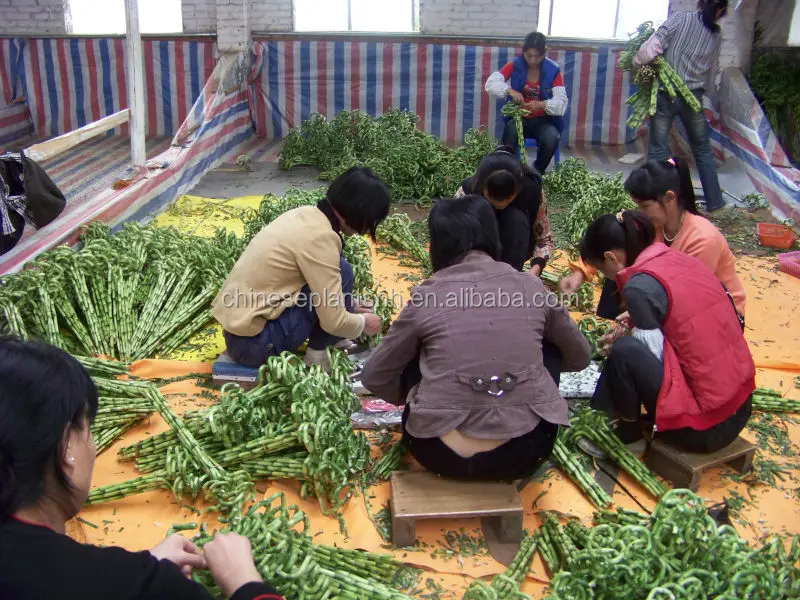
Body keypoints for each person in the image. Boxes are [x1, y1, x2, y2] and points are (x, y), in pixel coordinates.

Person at [0, 337, 283, 600]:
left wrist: (144, 564)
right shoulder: (144, 587)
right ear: (66, 447)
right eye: (88, 429)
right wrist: (243, 581)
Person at [360, 195, 591, 481]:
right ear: (492, 237)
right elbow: (580, 356)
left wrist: (416, 394)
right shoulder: (531, 286)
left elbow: (375, 375)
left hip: (438, 452)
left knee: (416, 354)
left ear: (437, 246)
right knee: (550, 347)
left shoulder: (427, 296)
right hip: (528, 449)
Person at [580, 211, 754, 453]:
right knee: (633, 346)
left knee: (624, 353)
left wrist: (627, 337)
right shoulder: (679, 260)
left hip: (706, 430)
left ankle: (630, 437)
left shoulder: (637, 287)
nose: (606, 277)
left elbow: (651, 356)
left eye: (602, 271)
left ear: (610, 258)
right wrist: (637, 319)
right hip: (740, 408)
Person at [212, 166, 391, 372]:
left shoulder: (305, 215)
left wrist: (348, 303)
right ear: (359, 214)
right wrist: (362, 323)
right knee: (343, 272)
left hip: (238, 335)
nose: (367, 230)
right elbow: (334, 321)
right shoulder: (320, 239)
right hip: (256, 346)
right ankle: (317, 355)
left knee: (336, 279)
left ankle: (327, 342)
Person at [559, 157, 745, 330]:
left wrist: (635, 317)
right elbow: (608, 241)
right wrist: (579, 273)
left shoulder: (702, 240)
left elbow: (682, 299)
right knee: (618, 270)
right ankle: (608, 327)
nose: (640, 212)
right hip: (668, 297)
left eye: (645, 206)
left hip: (718, 318)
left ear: (670, 198)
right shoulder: (654, 223)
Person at [633, 0, 729, 212]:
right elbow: (712, 71)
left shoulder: (679, 18)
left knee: (658, 148)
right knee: (702, 148)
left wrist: (637, 61)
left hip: (666, 94)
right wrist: (707, 94)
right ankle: (715, 202)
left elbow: (653, 48)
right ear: (720, 9)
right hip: (693, 96)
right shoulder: (716, 34)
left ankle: (658, 201)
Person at [455, 147, 554, 275]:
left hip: (514, 253)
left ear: (518, 188)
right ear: (482, 187)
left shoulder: (532, 191)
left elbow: (544, 240)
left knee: (515, 217)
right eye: (492, 198)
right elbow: (452, 237)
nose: (500, 204)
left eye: (508, 198)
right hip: (475, 264)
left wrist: (534, 271)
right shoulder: (467, 192)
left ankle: (509, 275)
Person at [484, 32, 568, 173]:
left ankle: (536, 171)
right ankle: (509, 170)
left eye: (537, 56)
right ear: (523, 52)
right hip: (520, 118)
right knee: (510, 131)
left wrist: (542, 105)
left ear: (544, 54)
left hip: (544, 120)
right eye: (529, 55)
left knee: (551, 138)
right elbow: (491, 84)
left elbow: (561, 102)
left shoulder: (553, 70)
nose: (533, 60)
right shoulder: (515, 65)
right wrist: (510, 91)